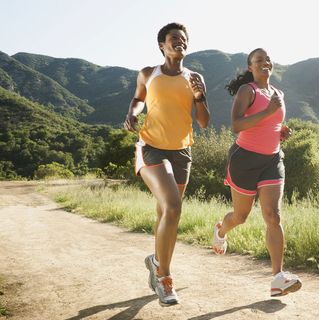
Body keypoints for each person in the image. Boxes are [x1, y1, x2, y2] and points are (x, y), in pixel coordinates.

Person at [123, 22, 210, 306]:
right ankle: (164, 277)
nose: (179, 42)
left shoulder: (195, 77)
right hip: (152, 148)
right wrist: (133, 114)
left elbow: (204, 121)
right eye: (174, 38)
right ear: (162, 45)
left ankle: (155, 261)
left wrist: (200, 97)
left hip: (182, 151)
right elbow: (138, 99)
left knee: (166, 213)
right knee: (173, 207)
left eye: (183, 39)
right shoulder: (149, 73)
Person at [213, 48, 300, 297]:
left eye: (267, 59)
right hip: (244, 160)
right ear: (250, 67)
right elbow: (236, 125)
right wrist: (268, 112)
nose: (265, 62)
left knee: (273, 216)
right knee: (240, 216)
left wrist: (281, 131)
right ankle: (220, 231)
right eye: (258, 60)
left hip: (272, 159)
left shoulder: (278, 93)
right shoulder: (247, 90)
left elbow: (271, 123)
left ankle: (278, 278)